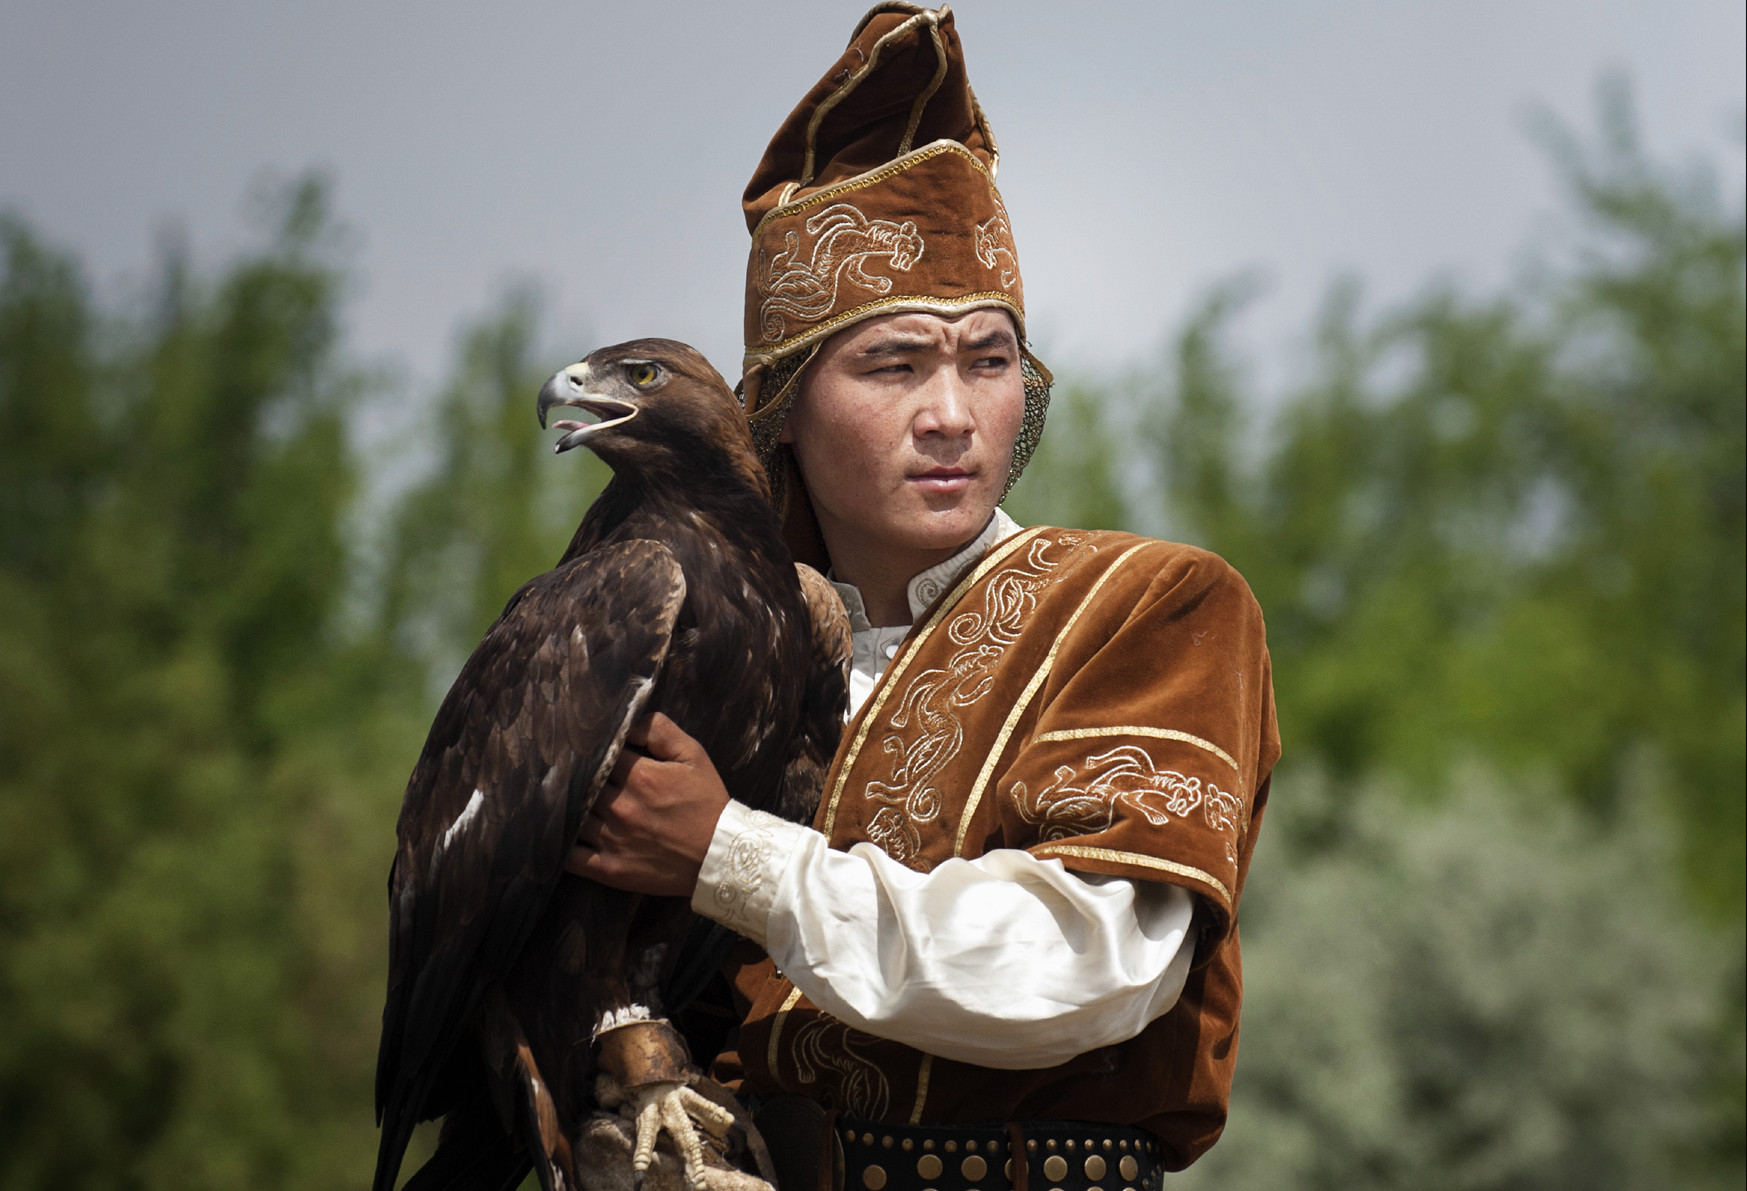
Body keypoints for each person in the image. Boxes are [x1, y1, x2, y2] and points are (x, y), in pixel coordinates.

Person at [568, 4, 1278, 1185]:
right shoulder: (702, 646)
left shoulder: (1150, 608)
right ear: (783, 407)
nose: (951, 414)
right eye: (893, 363)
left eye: (988, 361)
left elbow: (1088, 965)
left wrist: (725, 855)